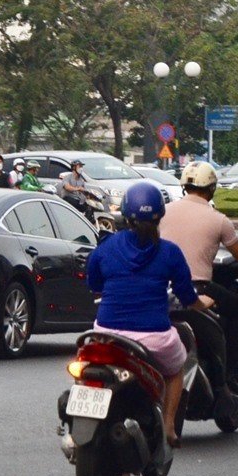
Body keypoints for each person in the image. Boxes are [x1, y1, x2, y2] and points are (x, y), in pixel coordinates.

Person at [85, 182, 209, 450]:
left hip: (106, 334)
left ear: (126, 216)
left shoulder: (106, 248)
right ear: (160, 216)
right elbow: (187, 296)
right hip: (153, 337)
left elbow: (93, 283)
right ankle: (168, 425)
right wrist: (204, 303)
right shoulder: (169, 253)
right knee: (177, 369)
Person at [161, 161, 238, 403]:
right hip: (199, 288)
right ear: (212, 189)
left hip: (163, 289)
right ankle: (232, 374)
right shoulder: (218, 219)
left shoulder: (165, 211)